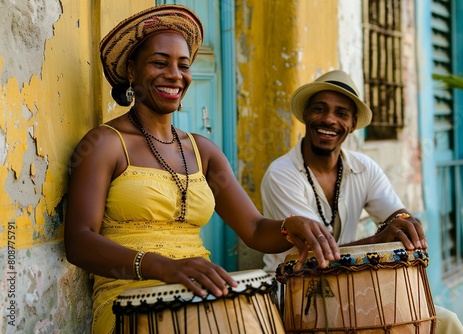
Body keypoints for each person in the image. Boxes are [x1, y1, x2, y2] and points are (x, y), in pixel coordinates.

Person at [63, 5, 339, 333]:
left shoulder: (202, 151)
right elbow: (79, 241)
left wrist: (288, 227)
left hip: (200, 297)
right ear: (132, 72)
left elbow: (253, 229)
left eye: (183, 65)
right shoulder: (104, 144)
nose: (175, 75)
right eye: (159, 63)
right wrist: (161, 266)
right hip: (129, 301)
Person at [260, 70, 463, 334]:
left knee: (445, 322)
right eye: (319, 109)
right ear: (306, 115)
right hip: (299, 294)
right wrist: (379, 239)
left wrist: (404, 223)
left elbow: (395, 216)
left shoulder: (364, 167)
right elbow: (315, 254)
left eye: (341, 113)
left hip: (352, 288)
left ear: (353, 123)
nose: (329, 120)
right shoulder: (281, 174)